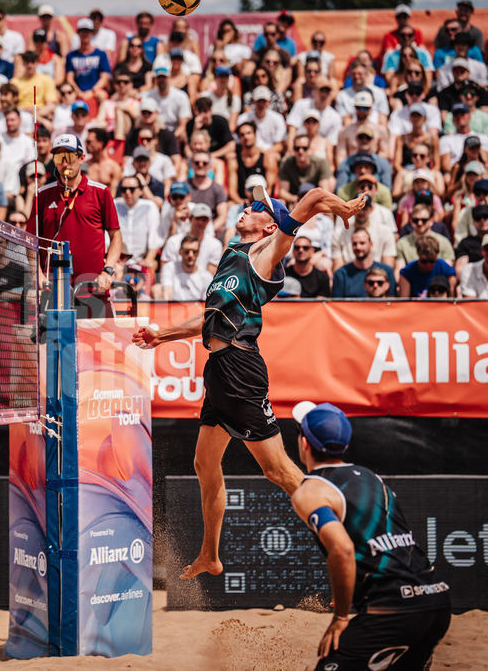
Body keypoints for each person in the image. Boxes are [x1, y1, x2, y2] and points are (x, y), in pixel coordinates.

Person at [132, 185, 367, 580]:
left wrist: (340, 208)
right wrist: (163, 335)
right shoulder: (231, 257)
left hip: (241, 370)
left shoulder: (266, 252)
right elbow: (208, 320)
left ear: (270, 225)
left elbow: (310, 197)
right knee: (204, 463)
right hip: (219, 369)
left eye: (257, 208)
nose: (246, 208)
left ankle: (355, 534)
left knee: (278, 472)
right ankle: (210, 555)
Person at [290, 401, 451, 670]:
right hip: (436, 600)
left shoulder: (309, 491)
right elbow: (383, 545)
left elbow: (342, 550)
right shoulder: (372, 478)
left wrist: (341, 616)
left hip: (394, 609)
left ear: (304, 443)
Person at [27, 134, 122, 314]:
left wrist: (108, 270)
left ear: (81, 158)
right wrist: (36, 272)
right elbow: (31, 240)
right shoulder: (42, 195)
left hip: (93, 289)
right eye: (58, 157)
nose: (65, 162)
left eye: (70, 156)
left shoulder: (100, 192)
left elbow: (115, 235)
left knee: (97, 341)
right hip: (53, 290)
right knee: (53, 342)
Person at [332, 228, 395, 298]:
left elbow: (391, 302)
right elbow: (336, 304)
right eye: (354, 244)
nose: (358, 247)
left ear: (371, 245)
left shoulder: (387, 271)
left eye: (362, 243)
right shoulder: (341, 274)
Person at [156, 235, 213, 301]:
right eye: (186, 251)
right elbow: (167, 294)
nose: (190, 255)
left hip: (196, 310)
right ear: (180, 252)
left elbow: (206, 304)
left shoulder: (206, 277)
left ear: (198, 253)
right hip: (174, 309)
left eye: (194, 251)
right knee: (156, 289)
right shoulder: (169, 267)